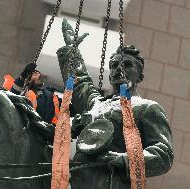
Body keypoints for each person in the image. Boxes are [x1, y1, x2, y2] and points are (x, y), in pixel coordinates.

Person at [57, 23, 174, 188]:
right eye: (113, 65)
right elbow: (79, 81)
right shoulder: (96, 103)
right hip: (76, 180)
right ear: (110, 76)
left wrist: (125, 159)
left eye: (127, 65)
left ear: (140, 77)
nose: (119, 69)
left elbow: (164, 154)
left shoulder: (147, 108)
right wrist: (71, 50)